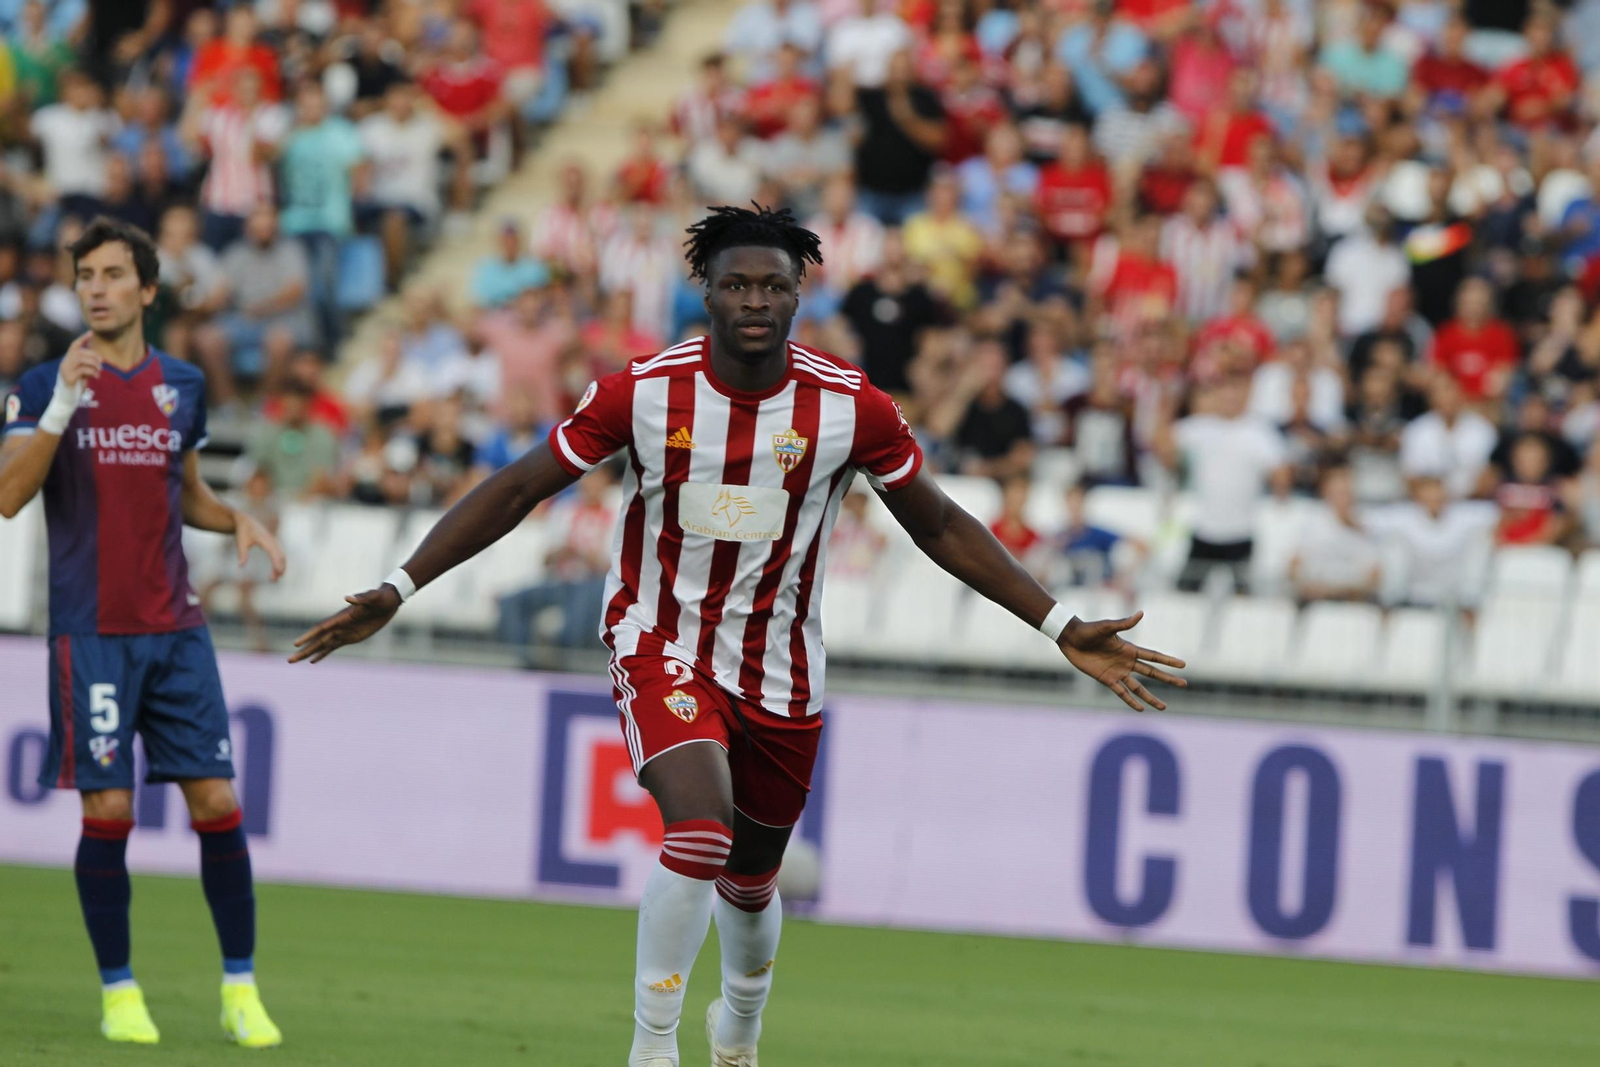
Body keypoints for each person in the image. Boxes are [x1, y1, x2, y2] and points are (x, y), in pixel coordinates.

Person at [287, 204, 1184, 1067]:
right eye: (736, 285)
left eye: (774, 286)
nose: (755, 300)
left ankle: (739, 1027)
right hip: (658, 637)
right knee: (700, 831)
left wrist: (1059, 623)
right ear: (703, 293)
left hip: (783, 669)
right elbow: (521, 486)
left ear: (800, 297)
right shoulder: (641, 393)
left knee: (753, 878)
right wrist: (402, 584)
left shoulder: (851, 408)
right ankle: (650, 1047)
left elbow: (940, 524)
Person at [0, 217, 285, 1047]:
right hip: (91, 631)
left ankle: (241, 987)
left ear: (147, 290)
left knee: (218, 801)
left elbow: (182, 489)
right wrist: (60, 400)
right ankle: (120, 991)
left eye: (113, 273)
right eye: (85, 273)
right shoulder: (38, 382)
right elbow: (10, 494)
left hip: (177, 628)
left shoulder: (183, 383)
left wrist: (237, 519)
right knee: (111, 809)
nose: (95, 286)